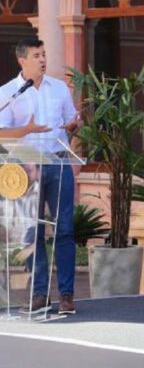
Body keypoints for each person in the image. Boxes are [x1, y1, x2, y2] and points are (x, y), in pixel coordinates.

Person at [0, 38, 81, 315]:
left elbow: (73, 120)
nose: (43, 59)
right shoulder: (8, 92)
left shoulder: (58, 88)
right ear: (22, 60)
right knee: (32, 233)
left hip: (58, 164)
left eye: (44, 54)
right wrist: (27, 129)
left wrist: (74, 125)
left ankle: (67, 295)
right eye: (37, 55)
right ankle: (39, 294)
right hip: (27, 169)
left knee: (65, 230)